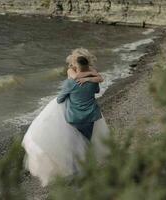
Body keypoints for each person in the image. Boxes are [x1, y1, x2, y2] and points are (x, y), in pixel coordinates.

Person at [21, 48, 109, 186]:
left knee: (73, 146)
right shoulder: (94, 81)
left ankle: (76, 175)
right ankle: (85, 171)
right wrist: (89, 78)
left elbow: (61, 98)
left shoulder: (71, 82)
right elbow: (97, 90)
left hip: (74, 117)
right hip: (91, 116)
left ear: (76, 65)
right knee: (86, 143)